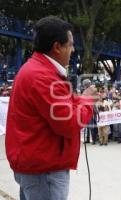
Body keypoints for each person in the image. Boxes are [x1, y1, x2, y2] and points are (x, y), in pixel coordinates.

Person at [5, 16, 96, 200]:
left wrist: (80, 99)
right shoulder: (43, 77)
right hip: (44, 171)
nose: (72, 50)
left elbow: (62, 106)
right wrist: (87, 100)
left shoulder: (37, 69)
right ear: (57, 47)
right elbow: (69, 123)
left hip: (35, 165)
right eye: (70, 45)